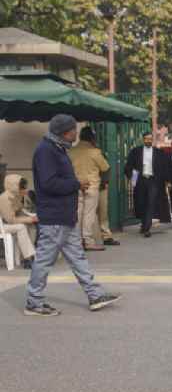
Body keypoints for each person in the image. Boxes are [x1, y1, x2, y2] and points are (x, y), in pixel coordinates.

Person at [25, 115, 121, 316]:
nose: (76, 133)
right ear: (62, 132)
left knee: (78, 257)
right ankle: (34, 302)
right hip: (54, 217)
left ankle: (94, 294)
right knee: (44, 261)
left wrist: (74, 183)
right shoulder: (46, 151)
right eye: (72, 130)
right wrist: (76, 184)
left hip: (64, 216)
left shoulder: (57, 148)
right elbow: (49, 184)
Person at [68, 127, 109, 251]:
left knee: (77, 214)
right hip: (92, 186)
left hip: (76, 186)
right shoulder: (95, 152)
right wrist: (104, 182)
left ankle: (77, 241)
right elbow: (105, 168)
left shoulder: (71, 151)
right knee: (89, 215)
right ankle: (88, 241)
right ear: (92, 138)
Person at [125, 132, 171, 238]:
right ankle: (144, 223)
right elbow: (129, 167)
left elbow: (164, 168)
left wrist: (167, 181)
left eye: (150, 139)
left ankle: (147, 228)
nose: (148, 141)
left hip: (153, 181)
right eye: (146, 139)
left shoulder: (159, 153)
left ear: (152, 140)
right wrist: (133, 180)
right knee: (142, 203)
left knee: (151, 202)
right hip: (140, 180)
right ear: (143, 139)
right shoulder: (135, 152)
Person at [0, 174, 37, 269]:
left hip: (9, 223)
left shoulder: (17, 196)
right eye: (22, 187)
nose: (24, 189)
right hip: (3, 225)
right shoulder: (4, 198)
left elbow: (20, 210)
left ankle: (28, 255)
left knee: (32, 227)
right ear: (14, 186)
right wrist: (29, 219)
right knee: (21, 227)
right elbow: (10, 219)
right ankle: (28, 258)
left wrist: (32, 217)